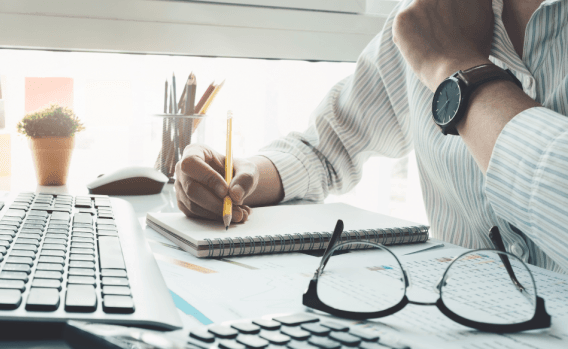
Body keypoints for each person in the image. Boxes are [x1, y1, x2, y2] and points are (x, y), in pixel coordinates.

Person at [174, 0, 568, 274]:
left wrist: (458, 68)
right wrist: (245, 175)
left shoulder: (438, 35)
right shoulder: (428, 16)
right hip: (465, 333)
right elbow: (326, 150)